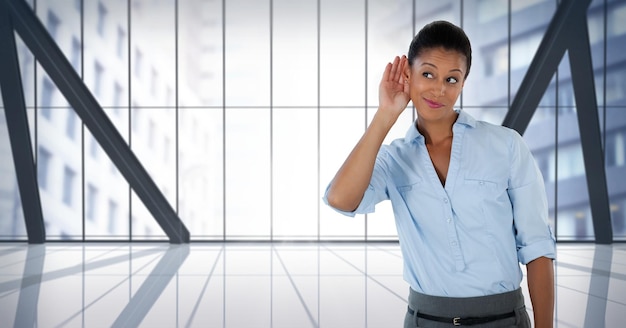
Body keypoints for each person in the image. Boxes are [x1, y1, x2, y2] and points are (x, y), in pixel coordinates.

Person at [323, 21, 555, 327]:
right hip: (425, 320)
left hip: (504, 319)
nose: (439, 89)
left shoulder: (506, 146)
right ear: (408, 74)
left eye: (452, 79)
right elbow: (340, 199)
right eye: (428, 74)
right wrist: (385, 115)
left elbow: (537, 248)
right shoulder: (394, 158)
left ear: (463, 84)